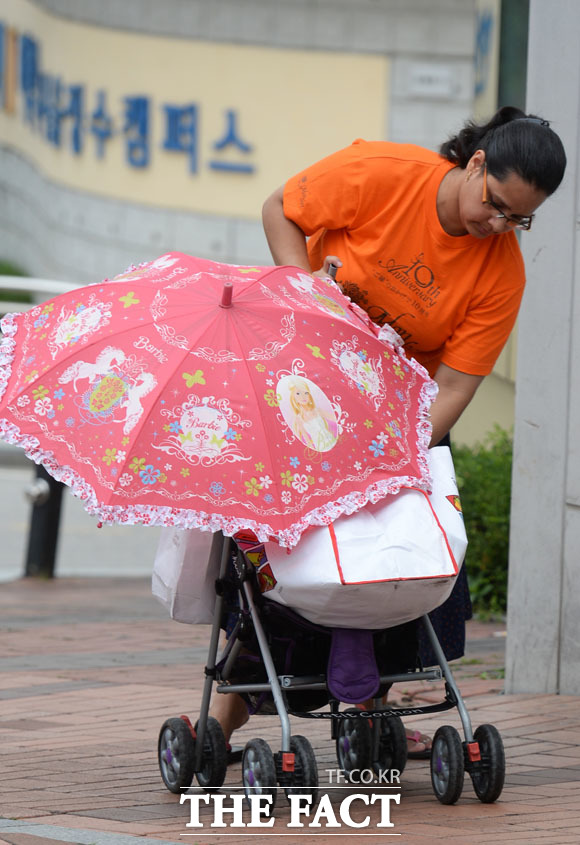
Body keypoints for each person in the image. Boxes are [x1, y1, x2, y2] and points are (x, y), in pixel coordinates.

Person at [210, 105, 567, 759]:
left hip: (400, 425)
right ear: (476, 164)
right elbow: (280, 209)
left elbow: (454, 386)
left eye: (518, 219)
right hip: (306, 400)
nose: (497, 226)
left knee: (398, 569)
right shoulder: (383, 173)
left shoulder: (501, 273)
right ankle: (220, 728)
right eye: (494, 206)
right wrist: (303, 295)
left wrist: (390, 461)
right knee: (288, 576)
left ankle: (371, 713)